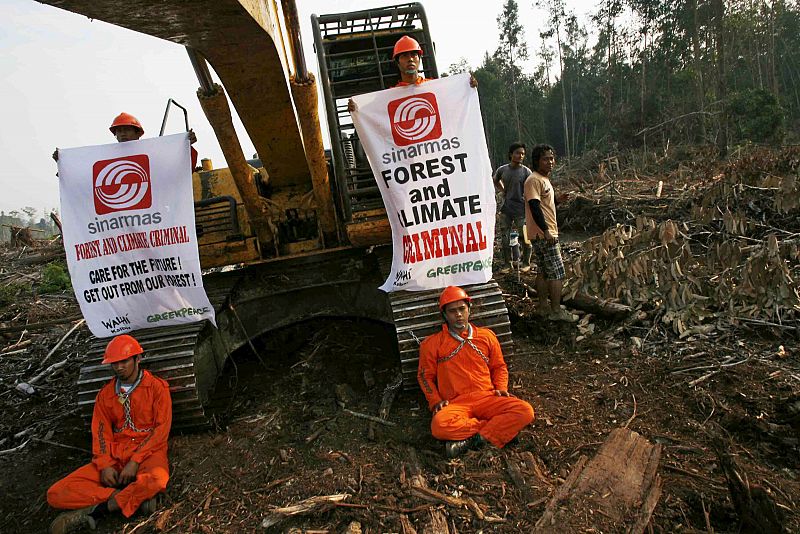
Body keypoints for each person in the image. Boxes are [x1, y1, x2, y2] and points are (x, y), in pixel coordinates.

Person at [47, 334, 172, 534]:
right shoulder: (105, 395)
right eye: (114, 363)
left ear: (137, 359)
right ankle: (131, 499)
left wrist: (136, 461)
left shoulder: (157, 388)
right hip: (116, 455)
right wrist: (105, 465)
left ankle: (98, 510)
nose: (119, 367)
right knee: (55, 493)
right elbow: (101, 433)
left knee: (156, 480)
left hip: (149, 452)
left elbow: (161, 430)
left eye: (124, 361)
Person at [417, 286, 535, 458]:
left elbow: (499, 367)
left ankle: (472, 441)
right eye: (452, 311)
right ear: (444, 315)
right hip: (455, 403)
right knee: (439, 426)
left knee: (525, 411)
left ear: (469, 309)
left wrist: (501, 387)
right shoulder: (432, 344)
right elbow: (424, 376)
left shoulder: (486, 336)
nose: (458, 314)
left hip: (487, 397)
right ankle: (495, 431)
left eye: (461, 309)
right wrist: (435, 401)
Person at [348, 35, 477, 111]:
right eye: (404, 55)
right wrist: (357, 109)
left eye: (414, 55)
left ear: (419, 59)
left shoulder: (435, 88)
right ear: (397, 62)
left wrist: (467, 88)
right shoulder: (390, 97)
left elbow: (454, 104)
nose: (410, 59)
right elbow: (373, 114)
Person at [524, 144, 574, 322]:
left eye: (552, 158)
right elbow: (534, 207)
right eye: (546, 158)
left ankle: (544, 307)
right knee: (557, 273)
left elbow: (544, 207)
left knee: (544, 271)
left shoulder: (544, 180)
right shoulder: (533, 180)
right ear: (537, 161)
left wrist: (557, 201)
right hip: (544, 234)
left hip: (544, 233)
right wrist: (546, 231)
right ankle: (556, 311)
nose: (550, 162)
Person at [53, 112, 198, 168]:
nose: (122, 134)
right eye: (119, 131)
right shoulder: (105, 158)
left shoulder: (152, 154)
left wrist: (186, 147)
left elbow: (178, 168)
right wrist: (64, 163)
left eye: (127, 130)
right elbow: (82, 176)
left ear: (138, 133)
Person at [493, 142, 533, 273]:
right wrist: (503, 190)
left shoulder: (526, 171)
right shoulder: (503, 170)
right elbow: (495, 179)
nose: (520, 156)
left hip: (521, 209)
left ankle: (526, 262)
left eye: (522, 154)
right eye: (517, 153)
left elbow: (532, 188)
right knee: (505, 238)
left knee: (525, 237)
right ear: (511, 154)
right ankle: (507, 264)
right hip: (506, 208)